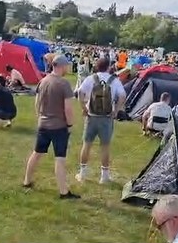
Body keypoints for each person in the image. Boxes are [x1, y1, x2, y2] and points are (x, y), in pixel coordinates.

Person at [23, 55, 80, 199]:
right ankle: (63, 191)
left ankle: (27, 181)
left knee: (37, 153)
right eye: (67, 66)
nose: (68, 68)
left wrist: (40, 117)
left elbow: (37, 103)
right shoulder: (63, 84)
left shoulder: (43, 81)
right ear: (61, 66)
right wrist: (69, 124)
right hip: (58, 126)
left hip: (43, 124)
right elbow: (68, 109)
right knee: (60, 158)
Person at [75, 58, 126, 184]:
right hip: (107, 117)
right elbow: (122, 96)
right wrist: (116, 110)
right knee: (105, 146)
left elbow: (80, 92)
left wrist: (83, 108)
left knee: (87, 144)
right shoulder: (114, 80)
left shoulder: (91, 78)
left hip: (91, 116)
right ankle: (104, 176)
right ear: (109, 67)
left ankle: (82, 173)